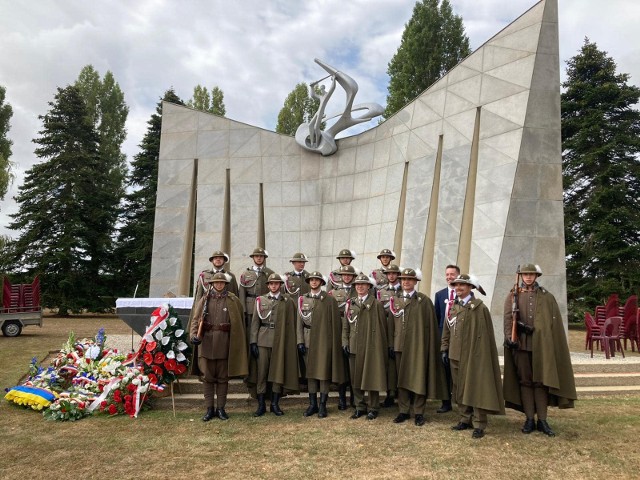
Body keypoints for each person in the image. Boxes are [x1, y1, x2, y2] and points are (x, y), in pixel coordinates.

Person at [502, 264, 577, 437]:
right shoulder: (513, 295)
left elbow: (552, 324)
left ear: (536, 276)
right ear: (521, 276)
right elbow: (507, 319)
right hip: (521, 346)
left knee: (541, 382)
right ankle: (529, 419)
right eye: (525, 274)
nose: (528, 277)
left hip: (541, 347)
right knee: (525, 382)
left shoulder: (546, 297)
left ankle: (542, 420)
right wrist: (510, 337)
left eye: (531, 274)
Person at [441, 274, 504, 438]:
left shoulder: (479, 308)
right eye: (456, 285)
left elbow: (484, 336)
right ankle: (464, 419)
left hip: (473, 356)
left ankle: (479, 423)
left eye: (463, 285)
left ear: (471, 287)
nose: (458, 288)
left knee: (476, 388)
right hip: (455, 354)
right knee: (460, 387)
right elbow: (447, 330)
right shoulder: (453, 306)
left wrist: (480, 356)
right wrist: (444, 348)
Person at [389, 268, 447, 426]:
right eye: (403, 279)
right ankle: (403, 410)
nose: (406, 282)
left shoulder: (424, 301)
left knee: (418, 378)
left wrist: (428, 347)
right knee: (401, 380)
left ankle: (419, 412)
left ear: (415, 282)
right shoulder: (395, 300)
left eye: (409, 279)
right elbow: (390, 326)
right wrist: (390, 344)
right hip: (399, 346)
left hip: (418, 347)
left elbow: (430, 326)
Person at [189, 272, 248, 421]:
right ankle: (209, 409)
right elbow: (196, 320)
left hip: (225, 343)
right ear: (212, 284)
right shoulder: (205, 299)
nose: (219, 285)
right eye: (216, 282)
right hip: (207, 343)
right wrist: (194, 335)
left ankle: (221, 408)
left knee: (223, 378)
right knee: (207, 378)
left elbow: (239, 322)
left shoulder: (233, 300)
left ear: (225, 284)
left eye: (222, 283)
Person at [247, 273, 299, 417]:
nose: (274, 286)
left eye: (277, 283)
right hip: (263, 340)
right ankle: (261, 404)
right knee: (261, 373)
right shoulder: (260, 300)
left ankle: (275, 404)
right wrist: (253, 341)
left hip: (280, 340)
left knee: (277, 372)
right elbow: (255, 323)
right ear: (268, 285)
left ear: (280, 285)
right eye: (272, 283)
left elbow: (292, 322)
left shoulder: (287, 301)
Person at [297, 271, 345, 418]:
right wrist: (300, 341)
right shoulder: (302, 299)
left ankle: (323, 405)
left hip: (324, 341)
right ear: (308, 282)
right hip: (308, 339)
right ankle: (313, 404)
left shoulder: (329, 300)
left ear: (322, 283)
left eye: (317, 280)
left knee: (324, 373)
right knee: (311, 373)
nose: (314, 282)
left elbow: (335, 324)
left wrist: (332, 343)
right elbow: (298, 322)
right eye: (311, 280)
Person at [343, 273, 388, 420]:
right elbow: (346, 326)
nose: (360, 287)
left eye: (363, 284)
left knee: (372, 377)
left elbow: (381, 328)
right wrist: (345, 342)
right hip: (354, 345)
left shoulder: (376, 304)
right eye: (357, 284)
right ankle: (359, 406)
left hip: (371, 347)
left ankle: (373, 407)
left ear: (369, 286)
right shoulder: (350, 303)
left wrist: (378, 347)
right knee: (355, 378)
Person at [328, 264, 358, 410]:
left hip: (353, 329)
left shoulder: (358, 291)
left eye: (349, 275)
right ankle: (341, 398)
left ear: (353, 277)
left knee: (352, 365)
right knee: (340, 365)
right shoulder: (333, 293)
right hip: (338, 328)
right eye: (344, 275)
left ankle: (354, 397)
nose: (346, 277)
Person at [433, 264, 460, 414]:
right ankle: (445, 402)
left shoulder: (464, 293)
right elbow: (437, 317)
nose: (449, 277)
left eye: (452, 274)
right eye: (447, 274)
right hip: (443, 338)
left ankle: (459, 400)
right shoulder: (439, 295)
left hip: (458, 338)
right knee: (444, 370)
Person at [187, 250, 238, 330]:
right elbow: (199, 296)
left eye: (220, 258)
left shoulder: (230, 276)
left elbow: (235, 297)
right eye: (216, 258)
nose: (218, 260)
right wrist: (198, 312)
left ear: (224, 261)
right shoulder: (204, 276)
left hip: (224, 312)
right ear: (212, 260)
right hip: (207, 310)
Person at [376, 263, 402, 408]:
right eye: (389, 274)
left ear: (398, 275)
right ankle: (390, 393)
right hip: (386, 328)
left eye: (394, 273)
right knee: (389, 362)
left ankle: (404, 393)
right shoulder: (381, 292)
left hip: (401, 329)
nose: (391, 276)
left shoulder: (404, 291)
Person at [238, 247, 275, 336]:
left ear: (264, 258)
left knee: (264, 332)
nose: (259, 258)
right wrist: (243, 310)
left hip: (265, 307)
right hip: (250, 307)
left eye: (261, 256)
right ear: (253, 258)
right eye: (257, 256)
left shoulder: (270, 273)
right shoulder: (246, 274)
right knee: (250, 332)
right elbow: (242, 293)